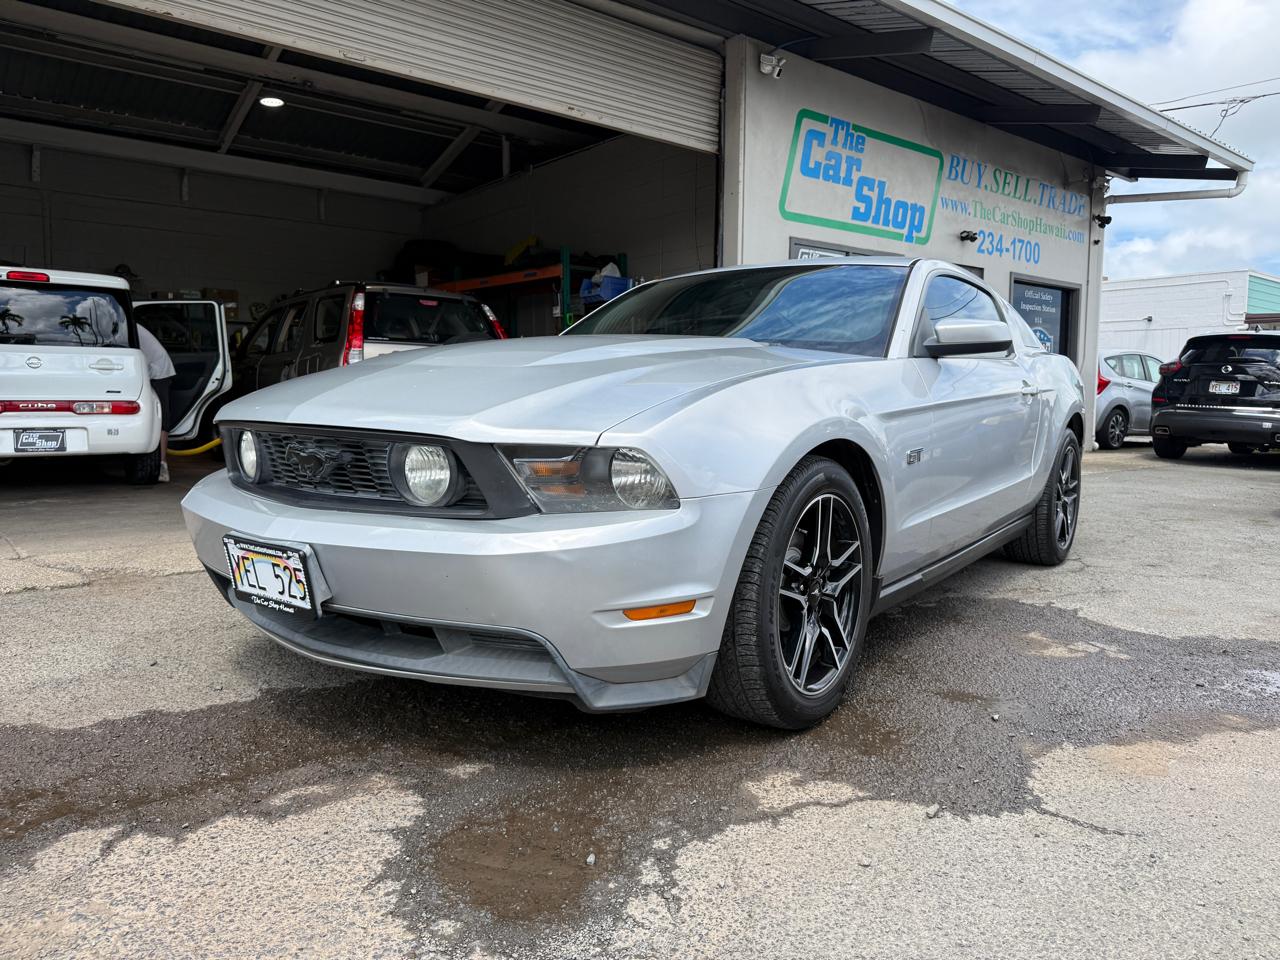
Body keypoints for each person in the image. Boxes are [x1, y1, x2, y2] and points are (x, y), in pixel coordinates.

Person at [136, 323, 176, 483]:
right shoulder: (118, 324)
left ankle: (162, 465)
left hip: (159, 371)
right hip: (149, 369)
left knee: (160, 417)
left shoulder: (123, 326)